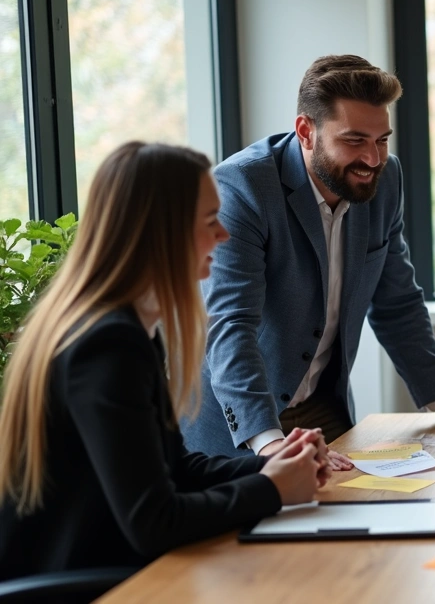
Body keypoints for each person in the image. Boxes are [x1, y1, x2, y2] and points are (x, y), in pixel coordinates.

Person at [0, 143, 327, 579]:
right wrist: (272, 489)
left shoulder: (129, 328)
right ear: (162, 232)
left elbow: (175, 466)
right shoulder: (107, 346)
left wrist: (273, 464)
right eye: (210, 221)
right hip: (79, 584)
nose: (224, 235)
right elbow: (153, 522)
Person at [182, 55, 435, 463]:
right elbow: (231, 325)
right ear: (306, 132)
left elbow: (397, 302)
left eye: (381, 140)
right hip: (239, 426)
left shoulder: (385, 179)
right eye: (354, 141)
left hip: (323, 408)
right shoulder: (243, 188)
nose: (372, 159)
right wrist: (271, 445)